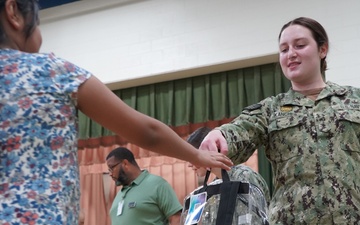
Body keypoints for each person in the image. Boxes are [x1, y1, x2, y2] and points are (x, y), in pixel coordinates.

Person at [0, 1, 232, 224]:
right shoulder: (52, 73)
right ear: (13, 12)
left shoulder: (155, 185)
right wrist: (196, 155)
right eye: (38, 22)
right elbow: (148, 132)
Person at [199, 17, 360, 224]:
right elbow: (241, 129)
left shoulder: (354, 100)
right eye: (284, 49)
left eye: (300, 45)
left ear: (322, 50)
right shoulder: (270, 110)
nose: (291, 53)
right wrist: (219, 134)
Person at [106, 147, 182, 225]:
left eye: (111, 168)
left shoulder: (157, 184)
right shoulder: (119, 194)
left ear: (125, 163)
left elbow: (176, 218)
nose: (110, 174)